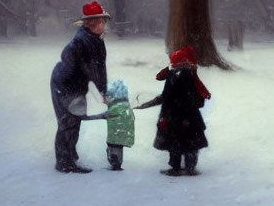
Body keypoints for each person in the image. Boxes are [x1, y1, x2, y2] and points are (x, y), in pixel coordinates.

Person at [49, 0, 110, 173]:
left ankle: (70, 153)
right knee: (69, 122)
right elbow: (91, 69)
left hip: (76, 84)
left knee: (75, 120)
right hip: (65, 84)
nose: (101, 25)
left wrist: (103, 90)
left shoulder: (96, 40)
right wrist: (102, 93)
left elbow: (100, 68)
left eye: (103, 22)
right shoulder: (83, 42)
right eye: (98, 22)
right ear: (89, 23)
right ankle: (64, 162)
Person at [136, 46, 211, 176]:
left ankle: (180, 167)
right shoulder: (183, 74)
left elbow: (168, 96)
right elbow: (161, 80)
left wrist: (151, 104)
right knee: (186, 143)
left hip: (177, 116)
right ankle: (187, 167)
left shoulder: (181, 77)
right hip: (184, 117)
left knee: (177, 143)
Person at [87, 79, 135, 171]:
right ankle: (117, 164)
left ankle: (115, 166)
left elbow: (104, 115)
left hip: (115, 135)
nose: (103, 100)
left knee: (113, 150)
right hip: (123, 134)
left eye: (105, 97)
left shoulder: (115, 108)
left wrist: (87, 117)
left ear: (112, 96)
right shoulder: (125, 106)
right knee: (118, 148)